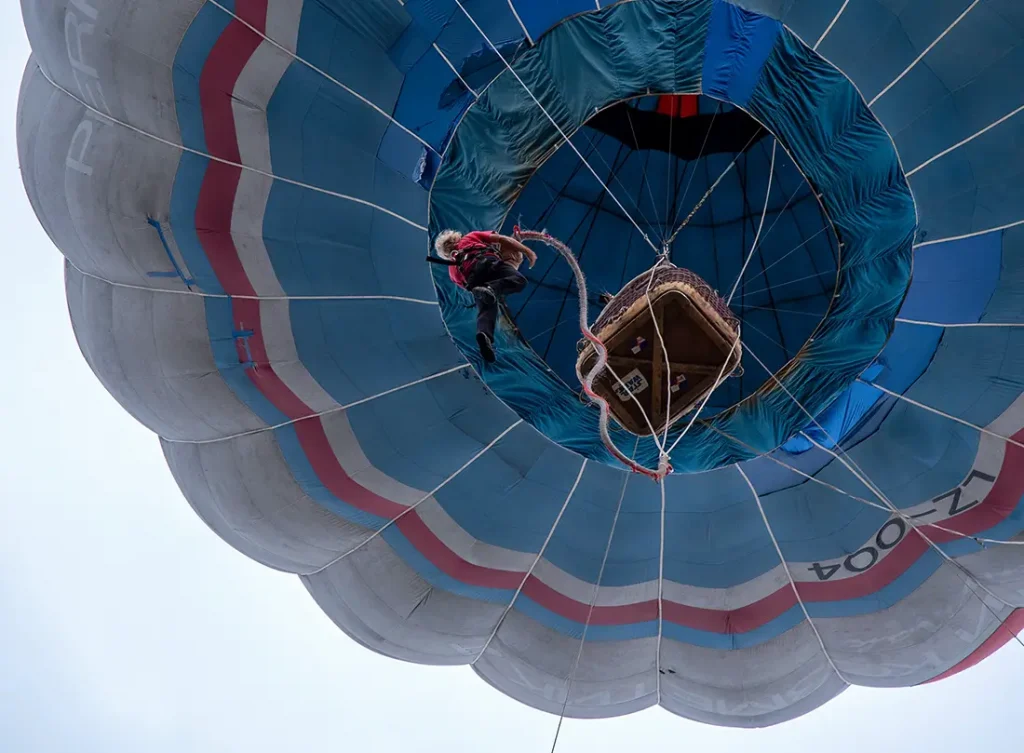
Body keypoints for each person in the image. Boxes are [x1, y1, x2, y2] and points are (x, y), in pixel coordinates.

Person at [431, 229, 538, 363]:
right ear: (455, 238)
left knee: (486, 310)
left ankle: (484, 335)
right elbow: (505, 240)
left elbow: (468, 287)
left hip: (475, 282)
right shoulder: (471, 237)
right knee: (518, 281)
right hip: (490, 264)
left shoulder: (452, 270)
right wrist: (529, 252)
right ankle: (491, 289)